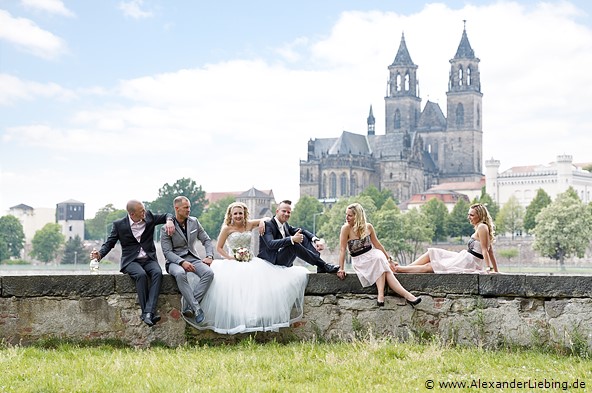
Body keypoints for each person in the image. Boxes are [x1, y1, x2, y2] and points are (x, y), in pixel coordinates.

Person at [196, 202, 309, 334]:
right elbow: (219, 248)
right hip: (232, 261)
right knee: (236, 293)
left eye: (240, 213)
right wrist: (230, 257)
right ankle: (238, 320)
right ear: (231, 215)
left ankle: (253, 319)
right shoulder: (227, 228)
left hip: (250, 261)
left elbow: (268, 219)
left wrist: (262, 222)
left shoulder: (248, 224)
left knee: (256, 290)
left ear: (244, 214)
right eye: (235, 213)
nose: (238, 216)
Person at [91, 200, 175, 327]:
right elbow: (110, 243)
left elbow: (168, 214)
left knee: (158, 273)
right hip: (130, 261)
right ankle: (147, 313)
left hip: (149, 259)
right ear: (132, 214)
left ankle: (147, 313)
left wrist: (169, 221)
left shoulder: (149, 217)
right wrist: (100, 255)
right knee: (140, 275)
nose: (144, 212)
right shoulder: (119, 225)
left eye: (144, 209)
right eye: (141, 211)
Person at [338, 203, 421, 307]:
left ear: (357, 216)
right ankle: (405, 296)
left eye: (350, 215)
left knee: (379, 258)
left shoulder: (368, 227)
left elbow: (377, 245)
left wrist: (390, 259)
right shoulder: (346, 228)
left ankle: (384, 296)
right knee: (380, 262)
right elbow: (342, 249)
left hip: (372, 255)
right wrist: (341, 268)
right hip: (359, 259)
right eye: (346, 214)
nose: (346, 217)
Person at [394, 203, 499, 274]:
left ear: (480, 215)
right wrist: (496, 270)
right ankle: (406, 268)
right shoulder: (482, 227)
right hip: (465, 258)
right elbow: (490, 252)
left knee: (431, 266)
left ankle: (399, 269)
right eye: (469, 215)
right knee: (433, 252)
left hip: (469, 262)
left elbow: (486, 250)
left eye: (471, 215)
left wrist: (489, 268)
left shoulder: (482, 227)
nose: (469, 217)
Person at [160, 196, 214, 327]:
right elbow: (167, 253)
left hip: (193, 258)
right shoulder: (165, 228)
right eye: (186, 208)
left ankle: (190, 305)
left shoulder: (194, 222)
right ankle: (196, 309)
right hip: (174, 262)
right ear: (177, 208)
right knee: (180, 274)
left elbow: (206, 240)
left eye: (189, 207)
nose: (189, 210)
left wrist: (210, 256)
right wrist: (181, 262)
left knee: (209, 274)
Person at [258, 200, 339, 273]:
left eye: (289, 212)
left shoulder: (285, 225)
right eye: (284, 211)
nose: (286, 214)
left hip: (282, 259)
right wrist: (291, 239)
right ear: (277, 211)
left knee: (302, 236)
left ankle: (320, 265)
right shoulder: (267, 225)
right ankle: (323, 265)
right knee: (293, 244)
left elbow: (302, 231)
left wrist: (315, 240)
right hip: (271, 261)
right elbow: (270, 244)